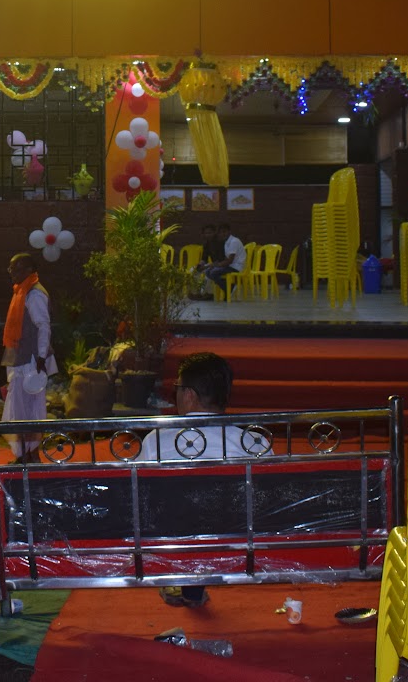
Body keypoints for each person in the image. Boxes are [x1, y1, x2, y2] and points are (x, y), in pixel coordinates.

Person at [139, 351, 268, 608]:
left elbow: (138, 498)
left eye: (177, 388)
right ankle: (192, 588)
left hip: (172, 542)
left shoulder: (157, 441)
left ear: (189, 395)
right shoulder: (254, 443)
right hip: (240, 542)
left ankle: (187, 581)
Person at [0, 252, 57, 463]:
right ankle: (27, 455)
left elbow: (43, 326)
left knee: (26, 410)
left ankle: (29, 456)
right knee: (22, 409)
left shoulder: (34, 294)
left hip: (31, 362)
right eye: (10, 268)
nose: (11, 272)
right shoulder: (23, 291)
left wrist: (41, 356)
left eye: (16, 268)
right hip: (23, 359)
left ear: (28, 270)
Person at [199, 223, 245, 295]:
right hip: (230, 265)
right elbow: (224, 259)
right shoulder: (226, 242)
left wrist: (215, 265)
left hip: (236, 266)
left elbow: (229, 260)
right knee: (208, 272)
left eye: (224, 232)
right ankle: (206, 293)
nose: (222, 234)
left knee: (213, 272)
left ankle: (231, 287)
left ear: (229, 231)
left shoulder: (234, 241)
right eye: (220, 232)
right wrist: (212, 265)